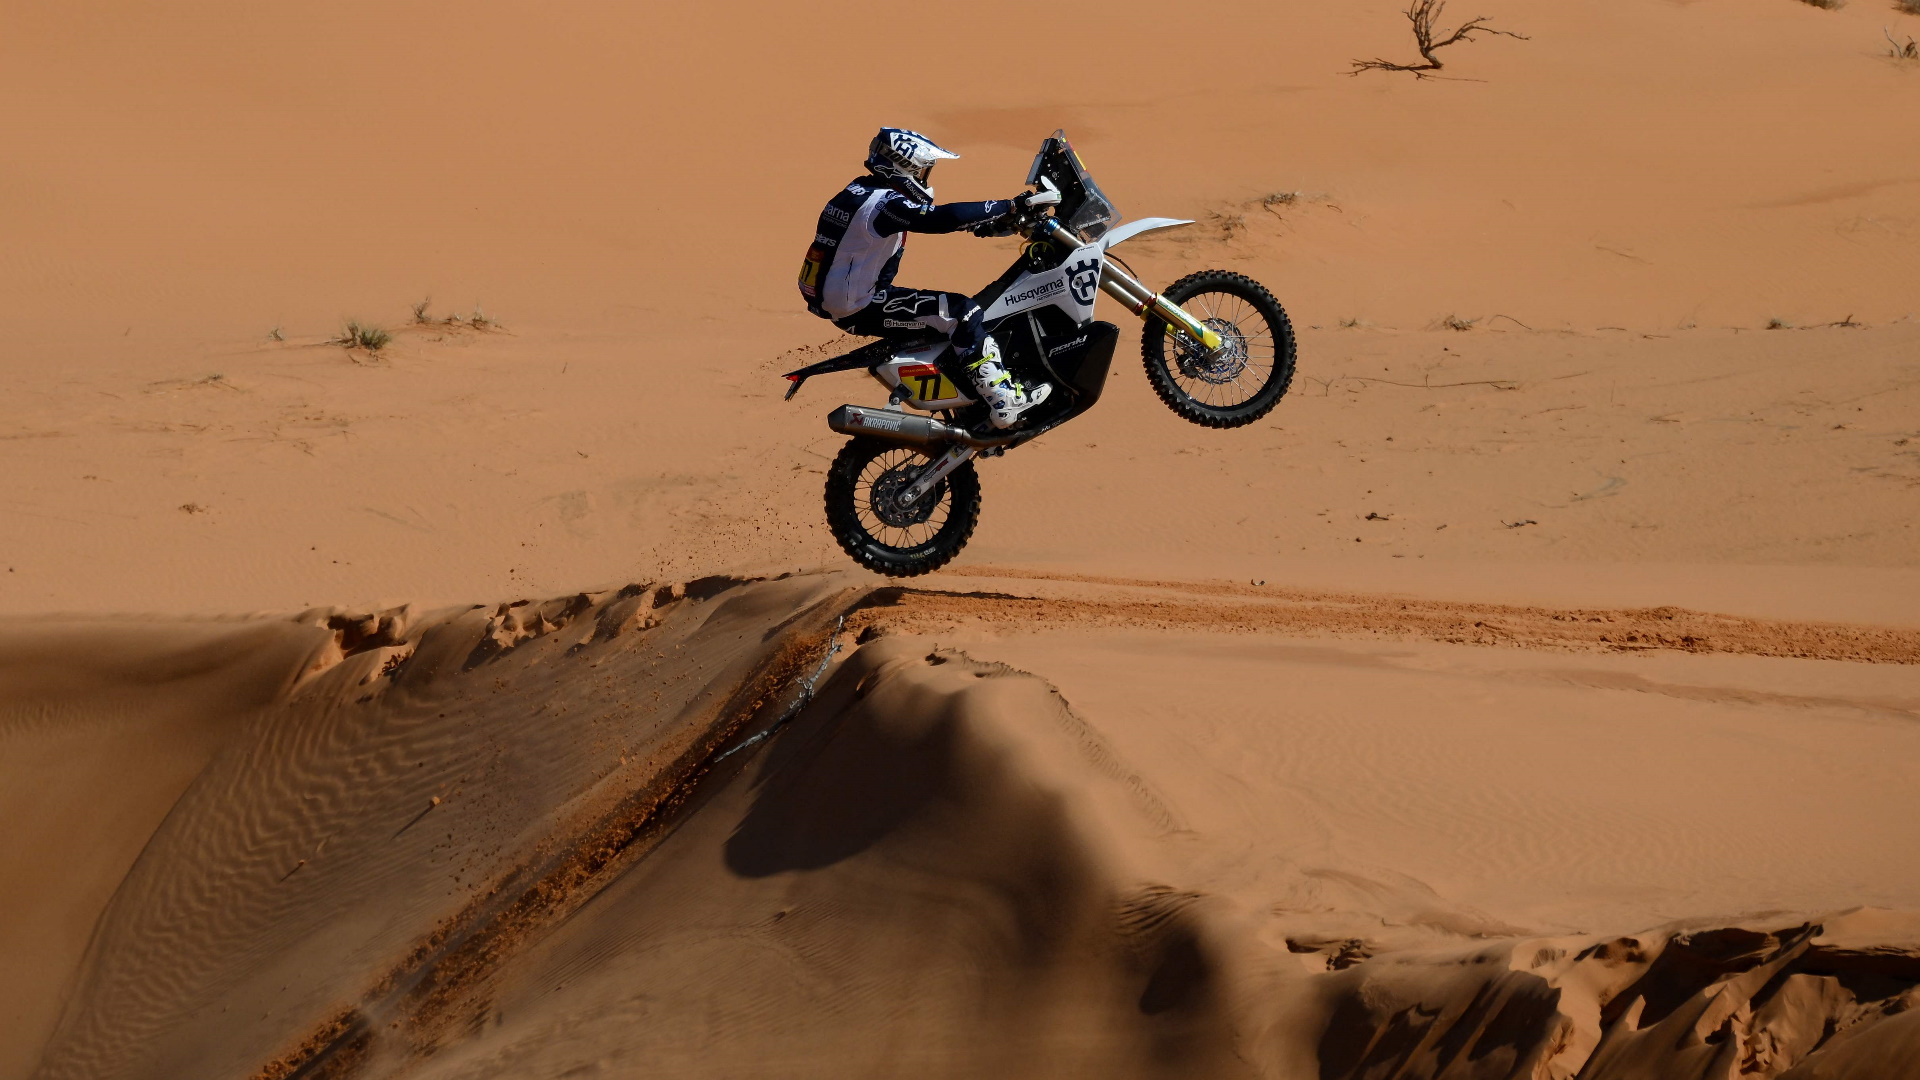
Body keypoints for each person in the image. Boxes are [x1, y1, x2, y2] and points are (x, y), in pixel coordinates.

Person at [799, 128, 1051, 429]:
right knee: (962, 313)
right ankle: (1002, 400)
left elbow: (918, 220)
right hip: (859, 304)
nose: (924, 178)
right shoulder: (884, 205)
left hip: (847, 296)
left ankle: (969, 397)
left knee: (945, 315)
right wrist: (1009, 206)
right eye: (921, 171)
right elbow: (940, 218)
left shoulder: (859, 191)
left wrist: (985, 224)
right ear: (901, 167)